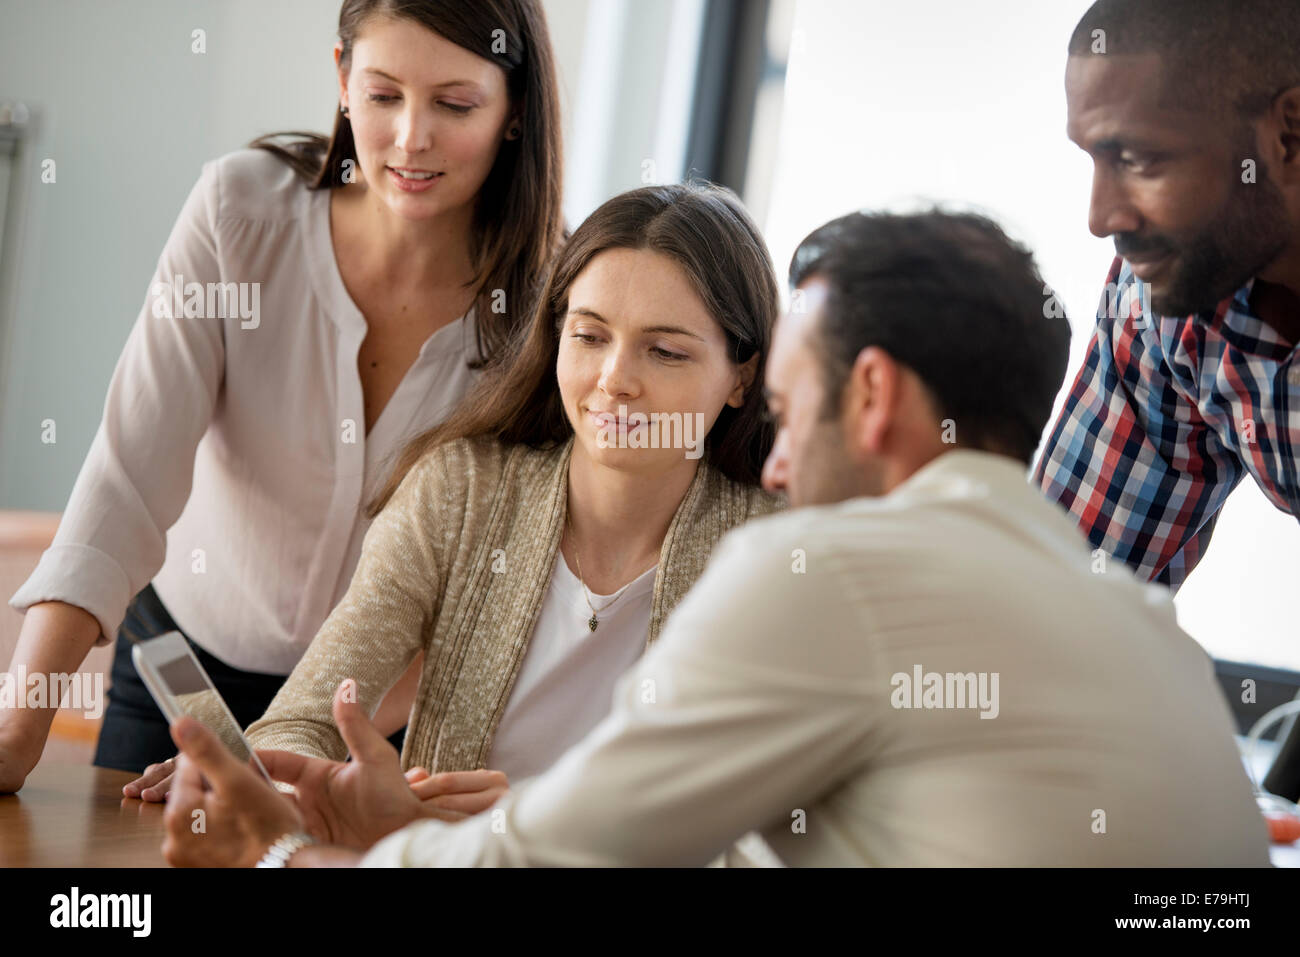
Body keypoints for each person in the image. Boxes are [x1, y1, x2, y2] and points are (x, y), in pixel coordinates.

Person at [160, 210, 1270, 867]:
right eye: (588, 336)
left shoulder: (820, 571)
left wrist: (288, 850)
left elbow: (558, 862)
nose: (778, 460)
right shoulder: (1142, 623)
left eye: (787, 402)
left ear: (869, 394)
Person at [0, 0, 565, 795]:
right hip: (181, 663)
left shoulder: (553, 307)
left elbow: (496, 580)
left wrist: (290, 754)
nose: (410, 137)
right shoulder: (241, 214)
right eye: (381, 94)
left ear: (515, 111)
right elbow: (124, 479)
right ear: (341, 79)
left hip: (374, 718)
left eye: (455, 103)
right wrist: (18, 724)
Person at [1036, 0, 1300, 590]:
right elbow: (1067, 598)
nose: (1100, 218)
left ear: (1289, 135)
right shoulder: (1161, 302)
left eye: (1138, 159)